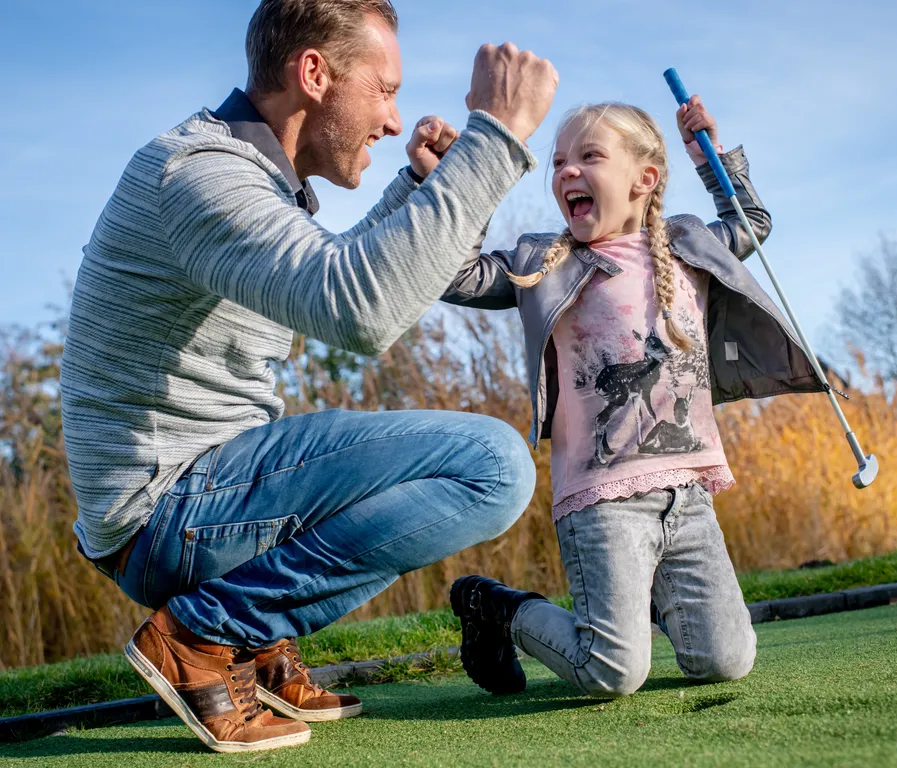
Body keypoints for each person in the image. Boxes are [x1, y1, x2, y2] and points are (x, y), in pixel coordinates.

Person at [59, 0, 557, 753]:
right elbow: (360, 307)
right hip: (168, 511)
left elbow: (328, 276)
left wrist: (418, 188)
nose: (393, 121)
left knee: (464, 472)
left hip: (186, 506)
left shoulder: (245, 178)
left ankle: (253, 644)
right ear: (315, 73)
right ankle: (203, 635)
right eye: (385, 89)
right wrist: (495, 137)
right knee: (493, 466)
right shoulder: (199, 175)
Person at [443, 97, 825, 698]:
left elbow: (751, 221)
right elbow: (456, 275)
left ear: (645, 178)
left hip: (689, 492)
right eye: (560, 162)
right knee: (613, 673)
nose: (567, 170)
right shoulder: (544, 261)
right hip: (601, 501)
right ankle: (498, 607)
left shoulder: (689, 246)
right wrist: (464, 179)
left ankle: (633, 611)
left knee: (726, 660)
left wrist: (711, 157)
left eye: (589, 156)